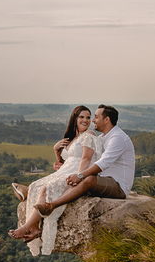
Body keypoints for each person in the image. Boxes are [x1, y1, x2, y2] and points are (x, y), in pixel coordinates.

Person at [8, 105, 101, 249]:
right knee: (35, 186)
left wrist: (79, 176)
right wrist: (56, 150)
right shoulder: (72, 138)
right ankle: (36, 227)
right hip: (64, 170)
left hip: (76, 172)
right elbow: (64, 162)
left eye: (88, 117)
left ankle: (27, 227)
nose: (86, 120)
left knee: (47, 188)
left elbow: (86, 159)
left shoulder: (89, 135)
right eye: (81, 117)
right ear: (74, 118)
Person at [28, 104, 135, 221]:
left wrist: (80, 176)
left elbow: (102, 163)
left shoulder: (118, 138)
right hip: (105, 179)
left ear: (106, 119)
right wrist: (64, 164)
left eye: (95, 117)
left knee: (88, 179)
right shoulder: (102, 138)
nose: (93, 120)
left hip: (118, 185)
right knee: (76, 179)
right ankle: (31, 204)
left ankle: (52, 205)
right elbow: (90, 158)